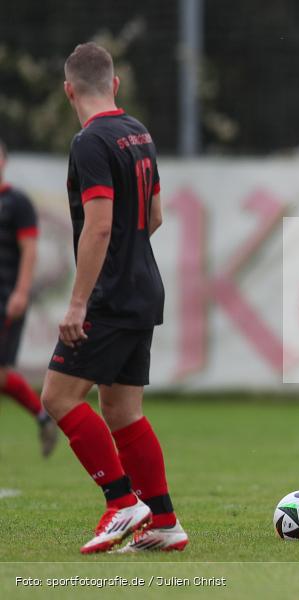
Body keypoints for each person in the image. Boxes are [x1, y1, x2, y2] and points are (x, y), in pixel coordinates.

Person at [39, 42, 187, 554]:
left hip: (110, 295)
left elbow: (99, 226)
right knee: (122, 411)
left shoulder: (90, 141)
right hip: (143, 287)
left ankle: (122, 502)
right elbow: (155, 216)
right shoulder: (138, 132)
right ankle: (164, 521)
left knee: (58, 397)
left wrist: (78, 302)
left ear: (68, 90)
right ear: (115, 84)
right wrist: (129, 255)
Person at [0, 139, 58, 457]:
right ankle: (42, 417)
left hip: (6, 299)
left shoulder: (17, 203)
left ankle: (43, 416)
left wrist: (21, 292)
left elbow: (30, 250)